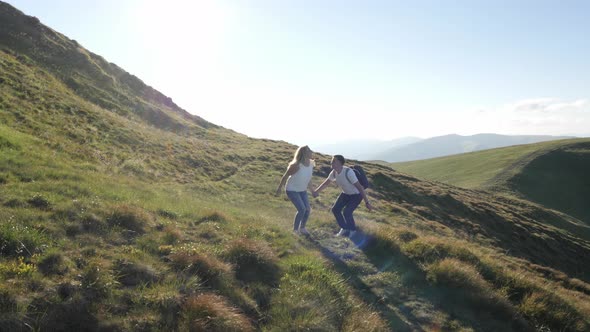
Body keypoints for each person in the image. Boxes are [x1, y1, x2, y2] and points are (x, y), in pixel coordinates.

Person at [313, 155, 373, 237]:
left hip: (356, 195)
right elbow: (326, 183)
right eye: (332, 160)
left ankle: (352, 230)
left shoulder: (348, 172)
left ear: (340, 163)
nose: (331, 162)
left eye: (334, 161)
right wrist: (317, 191)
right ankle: (344, 228)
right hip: (345, 194)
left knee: (347, 212)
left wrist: (367, 202)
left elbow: (360, 188)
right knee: (335, 210)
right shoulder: (334, 172)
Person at [276, 146, 315, 235]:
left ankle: (302, 228)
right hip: (292, 190)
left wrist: (312, 191)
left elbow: (309, 178)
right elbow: (285, 176)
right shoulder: (297, 165)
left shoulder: (311, 163)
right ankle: (295, 230)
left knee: (307, 209)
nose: (311, 151)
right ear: (304, 153)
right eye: (309, 150)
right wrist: (279, 188)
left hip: (302, 190)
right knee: (302, 209)